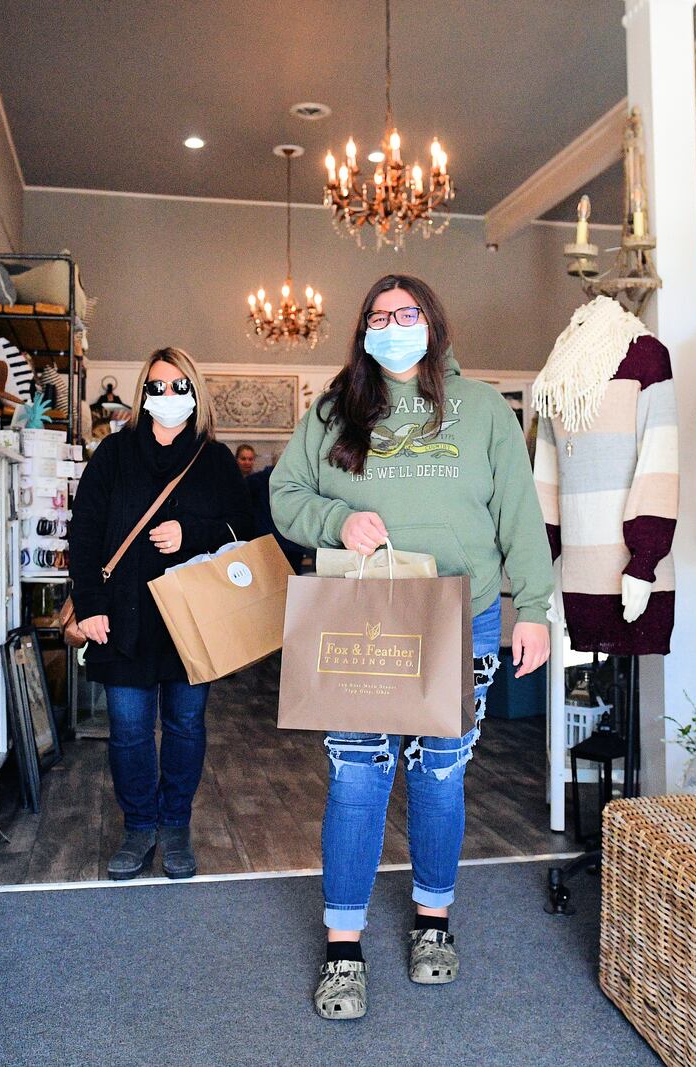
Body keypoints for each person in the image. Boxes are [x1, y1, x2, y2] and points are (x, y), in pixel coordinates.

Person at [272, 274, 554, 1020]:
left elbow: (519, 513)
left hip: (465, 617)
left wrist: (535, 609)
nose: (393, 324)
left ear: (433, 320)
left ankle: (433, 924)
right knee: (358, 776)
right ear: (362, 328)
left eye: (407, 312)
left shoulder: (485, 408)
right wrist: (337, 520)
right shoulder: (334, 410)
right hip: (364, 616)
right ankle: (343, 947)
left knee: (439, 776)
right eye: (378, 314)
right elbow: (285, 494)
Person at [68, 347, 252, 881]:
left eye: (178, 386)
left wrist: (191, 532)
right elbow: (84, 534)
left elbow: (246, 533)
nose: (167, 396)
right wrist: (92, 607)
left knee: (185, 725)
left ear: (195, 392)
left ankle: (175, 825)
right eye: (157, 385)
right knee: (127, 730)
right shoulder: (114, 454)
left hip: (193, 621)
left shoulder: (214, 460)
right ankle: (138, 826)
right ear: (142, 393)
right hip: (122, 620)